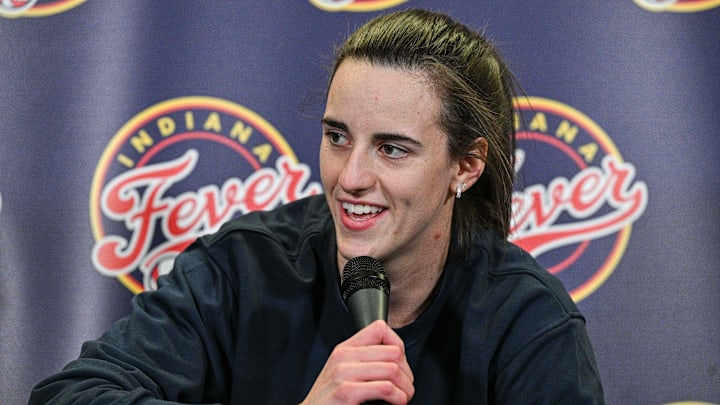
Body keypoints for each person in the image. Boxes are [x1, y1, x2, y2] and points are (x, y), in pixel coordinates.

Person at [30, 9, 604, 404]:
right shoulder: (245, 267)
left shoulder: (529, 320)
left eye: (392, 149)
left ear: (466, 166)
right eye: (337, 137)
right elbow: (68, 395)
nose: (351, 178)